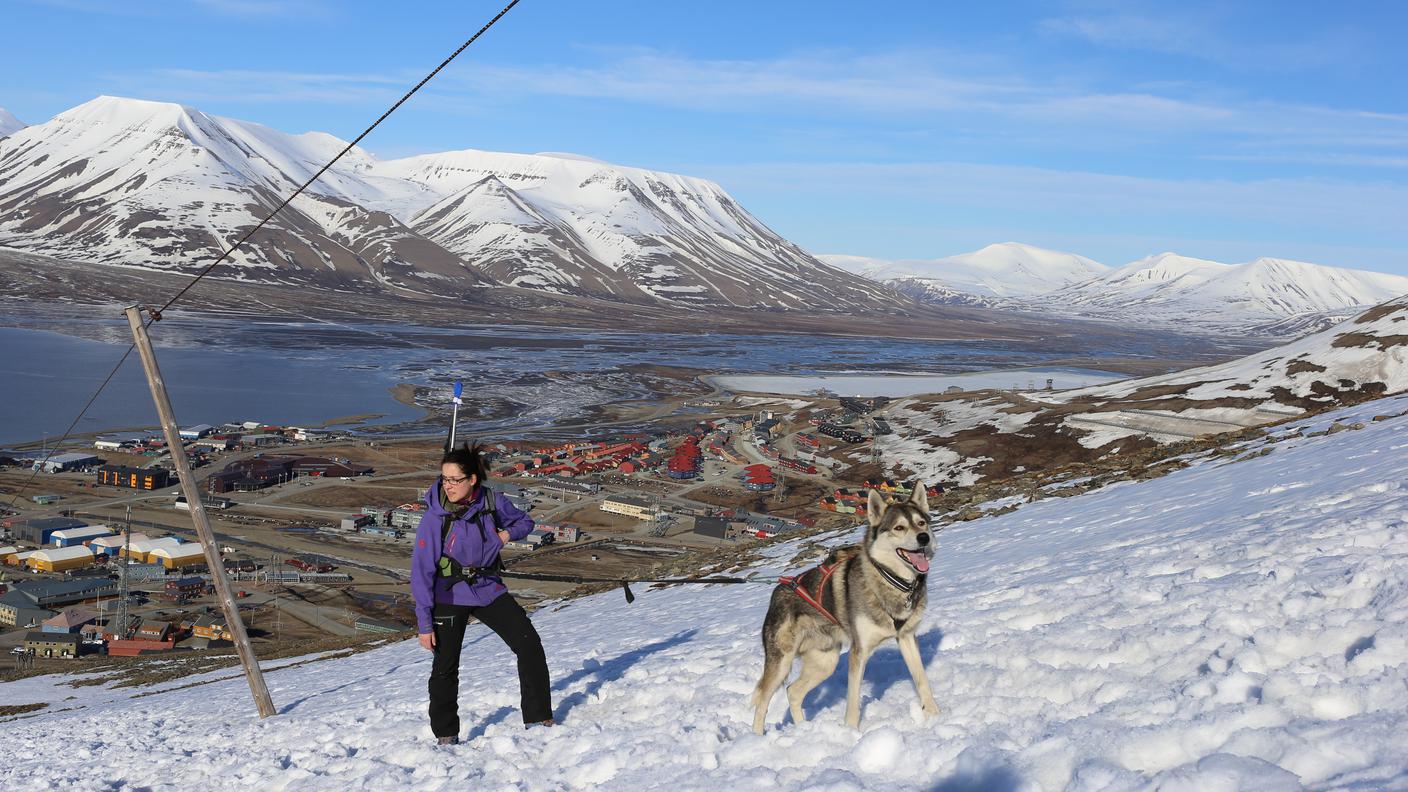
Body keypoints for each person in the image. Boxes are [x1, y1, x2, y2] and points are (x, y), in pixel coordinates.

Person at [410, 442, 554, 744]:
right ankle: (446, 735)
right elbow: (421, 574)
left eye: (454, 480)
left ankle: (539, 717)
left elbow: (524, 522)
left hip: (488, 589)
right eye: (444, 479)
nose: (447, 486)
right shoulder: (434, 519)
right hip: (448, 595)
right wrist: (424, 624)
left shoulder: (491, 501)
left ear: (472, 479)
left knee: (529, 645)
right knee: (445, 667)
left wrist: (505, 535)